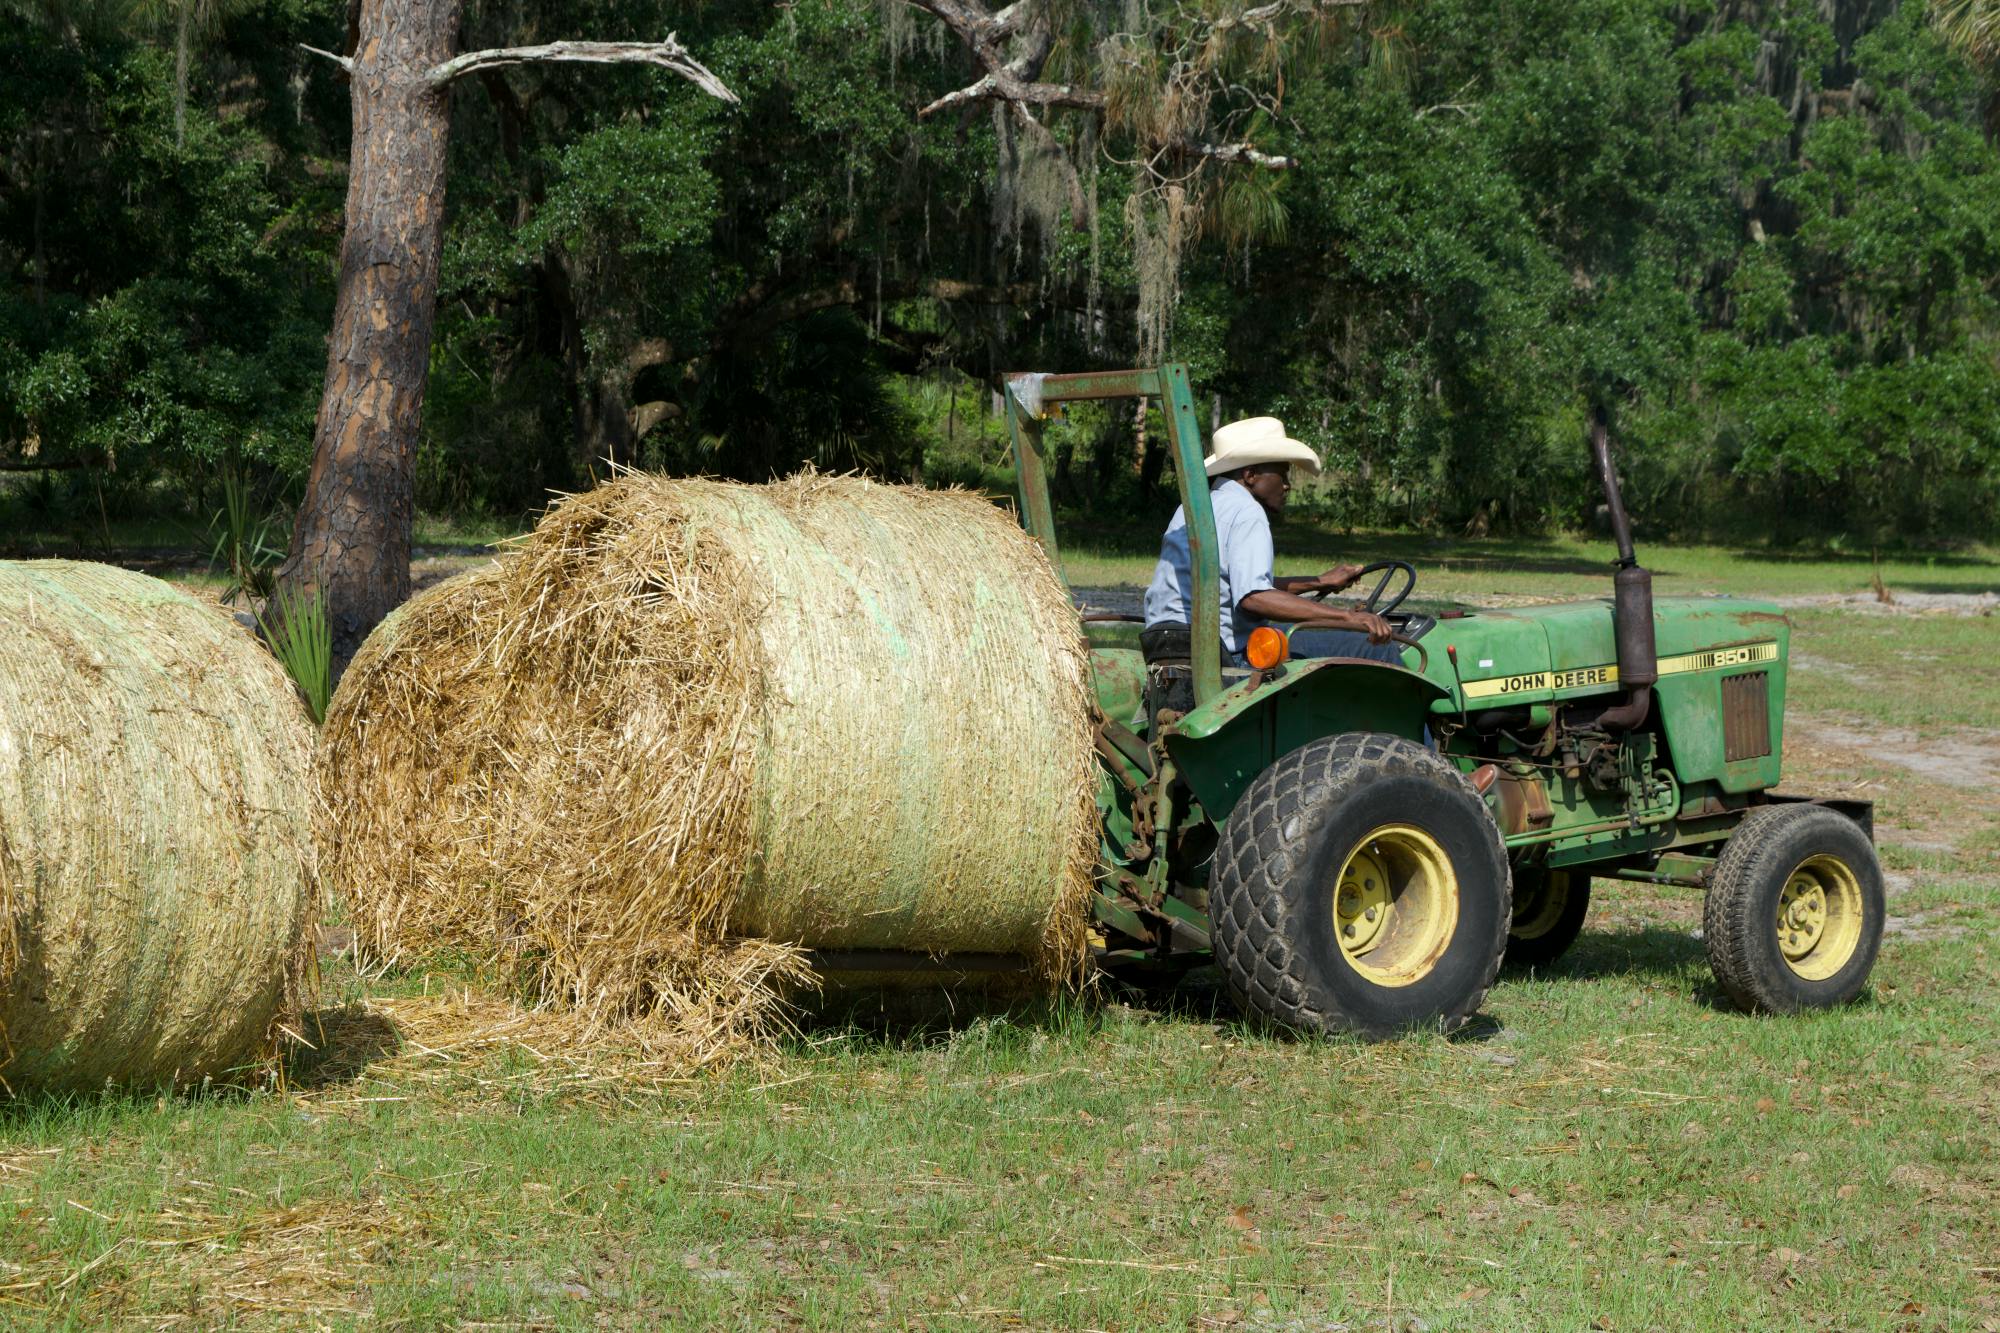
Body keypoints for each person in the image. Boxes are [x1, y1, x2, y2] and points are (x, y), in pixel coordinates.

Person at [1140, 416, 1399, 668]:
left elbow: (1231, 586)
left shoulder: (1197, 506)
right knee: (1375, 645)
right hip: (1226, 653)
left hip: (1166, 642)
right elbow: (1253, 598)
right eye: (1282, 475)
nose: (1287, 486)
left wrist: (1319, 582)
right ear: (1251, 475)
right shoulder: (1247, 511)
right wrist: (1348, 617)